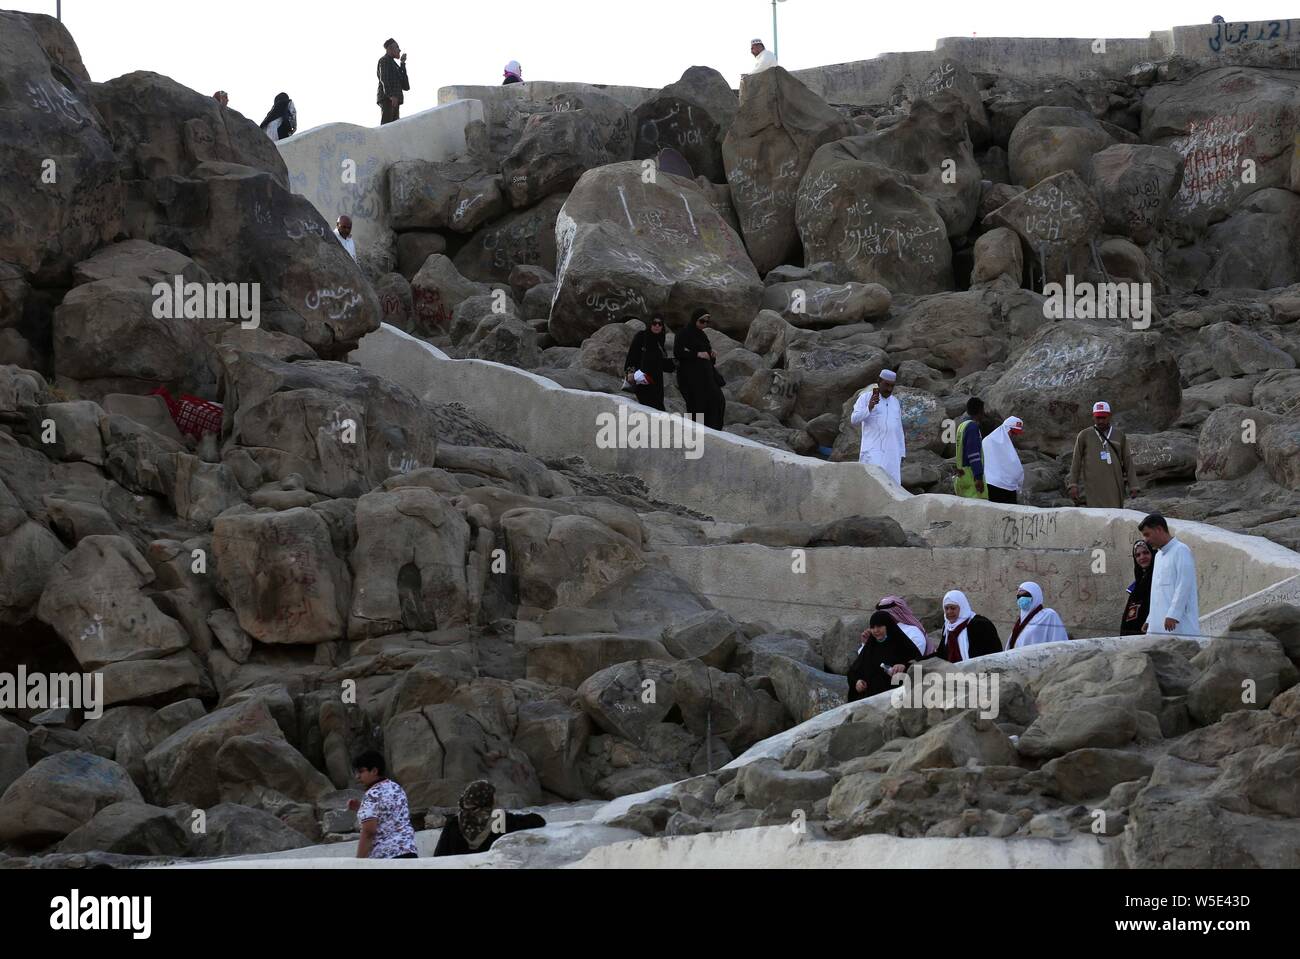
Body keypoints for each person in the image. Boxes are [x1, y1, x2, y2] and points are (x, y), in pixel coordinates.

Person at [432, 780, 546, 857]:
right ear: (488, 800)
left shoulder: (454, 823)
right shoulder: (499, 821)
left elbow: (439, 856)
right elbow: (537, 820)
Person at [1140, 513, 1200, 637]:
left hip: (1179, 625)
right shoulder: (1157, 556)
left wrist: (1173, 614)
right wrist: (1150, 619)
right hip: (1158, 625)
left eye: (1147, 534)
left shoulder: (1181, 550)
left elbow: (1184, 585)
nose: (1146, 540)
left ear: (1159, 529)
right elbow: (1157, 593)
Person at [1068, 401, 1137, 508]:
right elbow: (1076, 461)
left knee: (1115, 514)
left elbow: (1128, 461)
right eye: (1098, 417)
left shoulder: (1119, 435)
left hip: (1114, 484)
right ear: (1093, 417)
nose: (1100, 420)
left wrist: (1134, 485)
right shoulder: (1084, 435)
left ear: (1109, 416)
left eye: (1103, 417)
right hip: (1093, 485)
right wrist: (1073, 484)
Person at [349, 751, 418, 859]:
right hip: (408, 852)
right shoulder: (396, 788)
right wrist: (361, 808)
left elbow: (369, 831)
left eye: (361, 772)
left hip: (387, 858)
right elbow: (388, 816)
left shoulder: (371, 795)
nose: (358, 777)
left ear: (374, 771)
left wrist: (358, 862)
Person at [848, 611, 925, 702]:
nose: (876, 630)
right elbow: (853, 671)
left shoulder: (902, 645)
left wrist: (904, 666)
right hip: (870, 700)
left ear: (888, 626)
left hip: (896, 699)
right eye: (873, 627)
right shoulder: (870, 647)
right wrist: (857, 682)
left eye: (879, 626)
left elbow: (919, 664)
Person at [851, 370, 905, 485]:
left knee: (893, 486)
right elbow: (854, 419)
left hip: (893, 453)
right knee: (873, 485)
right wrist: (869, 407)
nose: (889, 389)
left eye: (892, 386)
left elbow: (898, 429)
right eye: (886, 385)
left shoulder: (895, 402)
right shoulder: (865, 398)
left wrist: (901, 452)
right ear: (879, 381)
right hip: (872, 451)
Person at [673, 309, 725, 429]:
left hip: (707, 377)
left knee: (717, 401)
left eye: (707, 322)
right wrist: (697, 354)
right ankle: (695, 432)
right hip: (690, 377)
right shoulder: (684, 333)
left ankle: (714, 431)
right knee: (697, 404)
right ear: (694, 320)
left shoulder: (702, 335)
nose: (704, 324)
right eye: (701, 321)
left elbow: (709, 359)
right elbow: (678, 352)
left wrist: (711, 354)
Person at [624, 317, 675, 411]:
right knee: (650, 409)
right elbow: (632, 356)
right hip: (642, 380)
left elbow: (661, 363)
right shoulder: (641, 337)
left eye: (660, 324)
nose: (657, 326)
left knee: (657, 410)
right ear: (649, 324)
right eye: (654, 323)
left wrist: (676, 363)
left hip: (656, 383)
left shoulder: (659, 341)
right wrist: (629, 372)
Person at [934, 589, 1002, 661]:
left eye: (953, 608)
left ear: (962, 606)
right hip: (953, 670)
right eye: (946, 608)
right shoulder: (947, 627)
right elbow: (942, 653)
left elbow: (994, 652)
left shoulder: (980, 624)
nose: (949, 612)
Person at [1006, 581, 1069, 649]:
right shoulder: (1020, 622)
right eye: (1018, 596)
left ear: (1035, 595)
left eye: (1025, 595)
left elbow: (1059, 643)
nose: (1021, 598)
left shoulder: (1048, 615)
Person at [983, 416, 1025, 504]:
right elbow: (1015, 469)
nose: (1015, 436)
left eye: (1016, 434)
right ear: (1006, 429)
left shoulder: (987, 440)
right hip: (998, 488)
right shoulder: (991, 442)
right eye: (1013, 433)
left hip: (991, 484)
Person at [953, 397, 986, 499]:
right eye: (983, 410)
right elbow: (973, 454)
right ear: (980, 411)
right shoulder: (972, 427)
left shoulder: (962, 426)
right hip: (971, 475)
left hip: (962, 474)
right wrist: (978, 477)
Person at [1121, 539, 1154, 636]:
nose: (1142, 557)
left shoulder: (1157, 580)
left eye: (1146, 553)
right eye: (1138, 555)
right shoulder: (1138, 583)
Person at [377, 39, 410, 125]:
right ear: (390, 49)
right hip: (388, 99)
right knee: (387, 126)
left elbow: (406, 86)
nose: (399, 50)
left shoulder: (395, 65)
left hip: (395, 100)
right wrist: (391, 95)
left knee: (394, 128)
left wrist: (402, 64)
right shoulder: (384, 60)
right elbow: (384, 79)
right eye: (397, 47)